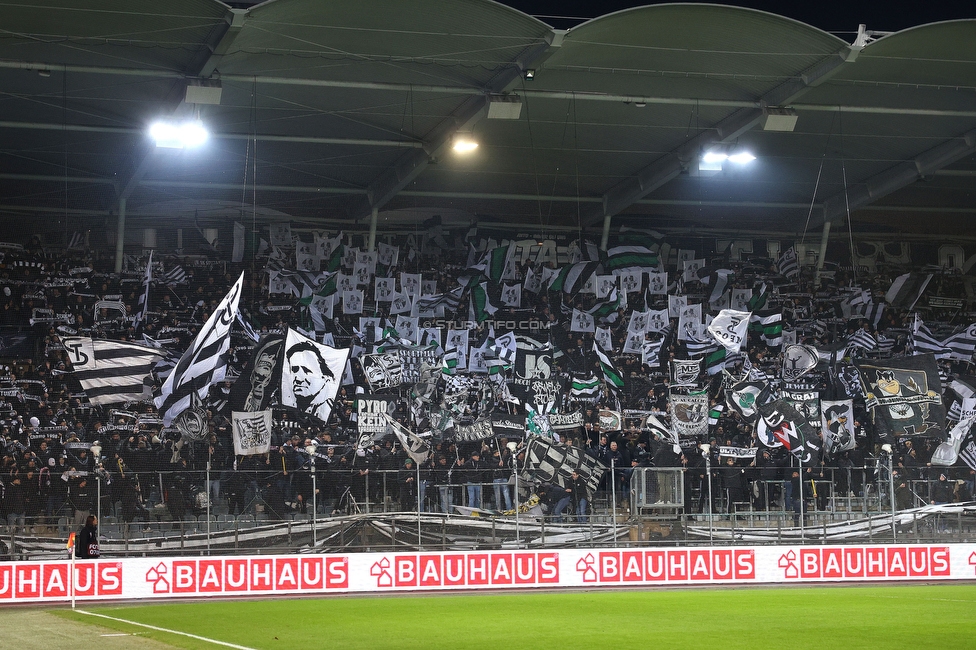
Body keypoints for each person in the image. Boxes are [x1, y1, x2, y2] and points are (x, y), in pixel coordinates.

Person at [285, 341, 340, 422]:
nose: (298, 379)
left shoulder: (331, 410)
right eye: (294, 370)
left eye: (306, 371)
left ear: (325, 377)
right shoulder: (290, 406)